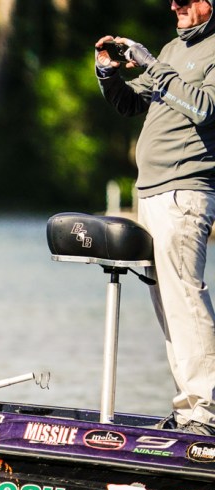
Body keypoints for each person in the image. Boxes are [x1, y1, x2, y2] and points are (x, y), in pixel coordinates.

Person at [96, 0, 215, 436]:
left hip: (185, 192)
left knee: (186, 302)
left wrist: (153, 65)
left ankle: (207, 413)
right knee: (169, 309)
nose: (175, 5)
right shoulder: (171, 49)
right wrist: (108, 73)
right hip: (151, 193)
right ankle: (190, 409)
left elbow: (203, 108)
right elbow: (130, 104)